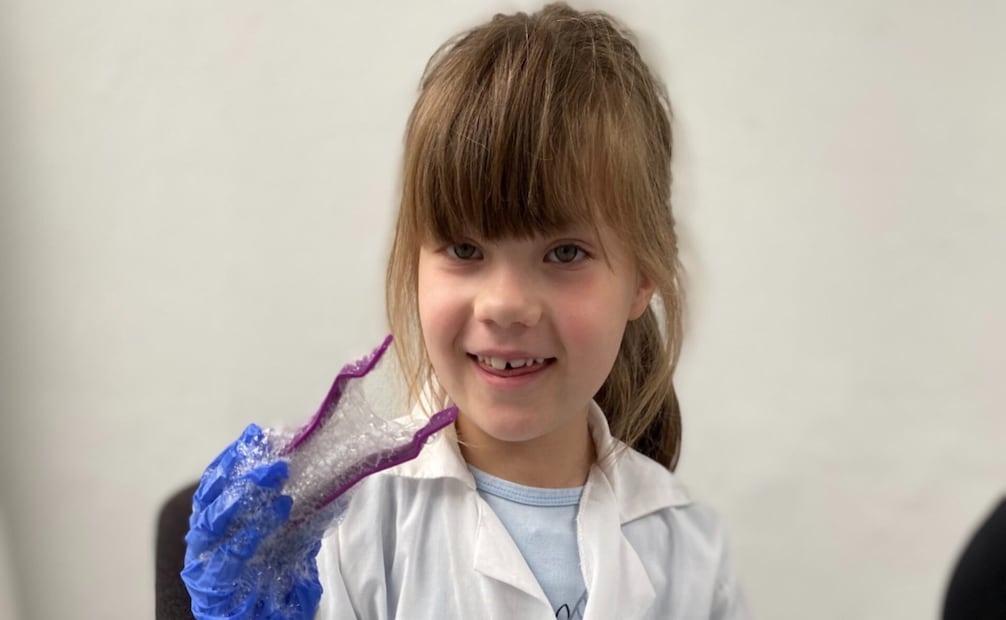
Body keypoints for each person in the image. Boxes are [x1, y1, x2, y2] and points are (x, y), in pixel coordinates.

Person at [183, 3, 750, 619]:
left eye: (564, 252)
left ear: (642, 275)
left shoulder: (688, 548)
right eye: (464, 248)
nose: (504, 305)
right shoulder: (351, 536)